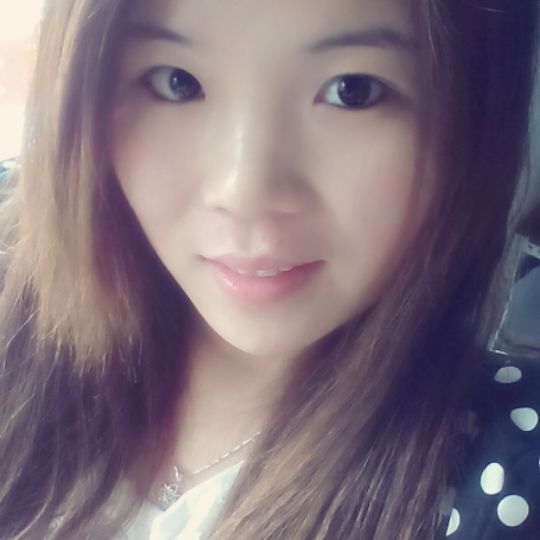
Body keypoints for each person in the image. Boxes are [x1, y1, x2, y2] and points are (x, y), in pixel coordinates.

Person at [0, 0, 538, 538]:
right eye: (176, 82)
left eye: (353, 91)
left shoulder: (512, 468)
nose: (244, 192)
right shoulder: (18, 326)